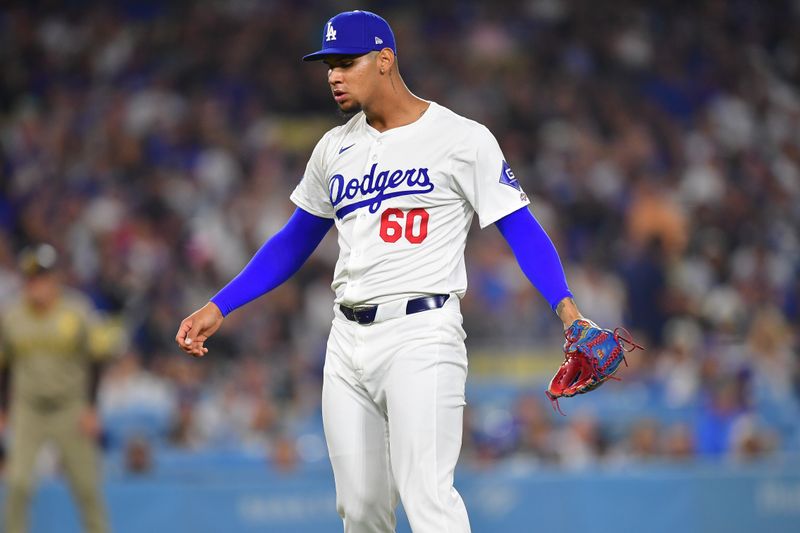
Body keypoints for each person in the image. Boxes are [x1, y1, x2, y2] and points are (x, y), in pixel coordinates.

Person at [176, 10, 586, 533]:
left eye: (347, 62)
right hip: (346, 340)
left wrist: (566, 307)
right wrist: (220, 304)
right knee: (362, 507)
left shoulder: (461, 138)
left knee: (428, 498)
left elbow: (521, 229)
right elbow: (294, 240)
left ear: (386, 59)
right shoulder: (333, 148)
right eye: (329, 65)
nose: (334, 76)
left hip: (423, 333)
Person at [0, 244, 110, 533]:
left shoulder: (76, 311)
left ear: (55, 279)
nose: (36, 285)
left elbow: (96, 359)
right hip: (28, 408)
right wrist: (3, 409)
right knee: (18, 485)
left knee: (86, 487)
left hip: (70, 407)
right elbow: (5, 366)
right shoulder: (12, 316)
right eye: (31, 278)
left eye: (42, 278)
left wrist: (91, 407)